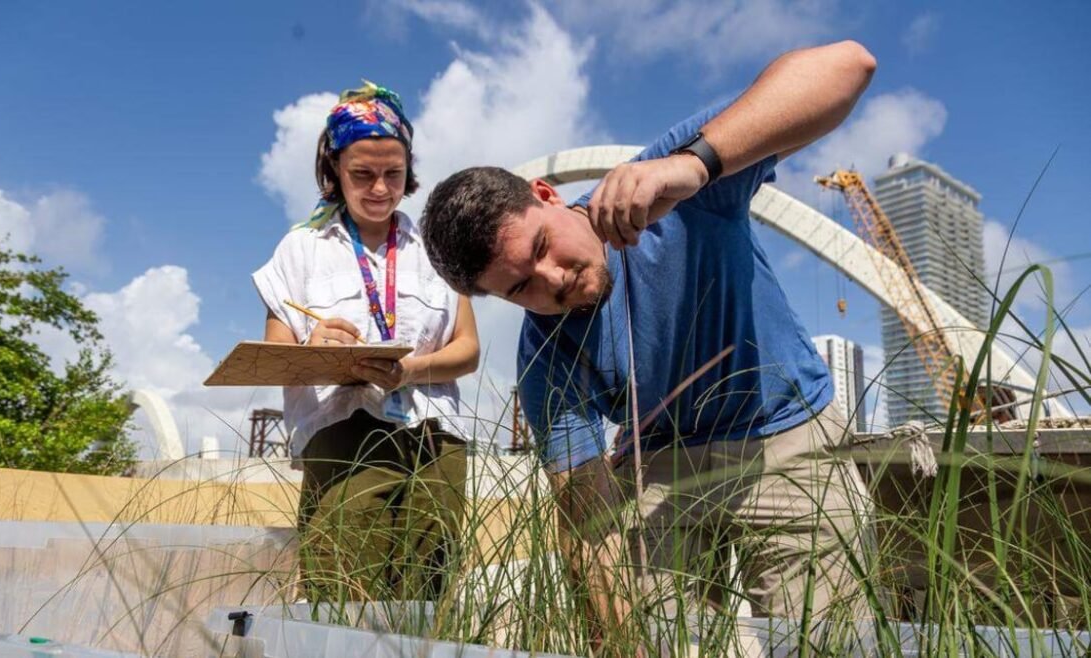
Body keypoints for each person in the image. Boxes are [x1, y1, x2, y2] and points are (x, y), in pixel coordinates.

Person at [421, 42, 878, 647]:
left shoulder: (669, 182)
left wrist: (698, 165)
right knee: (658, 632)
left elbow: (850, 65)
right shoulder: (544, 358)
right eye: (520, 288)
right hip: (659, 461)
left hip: (787, 434)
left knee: (829, 639)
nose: (553, 281)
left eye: (539, 250)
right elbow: (589, 522)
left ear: (548, 195)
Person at [253, 81, 479, 604]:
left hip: (435, 441)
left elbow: (466, 348)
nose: (379, 188)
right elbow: (274, 357)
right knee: (343, 596)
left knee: (428, 601)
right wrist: (317, 349)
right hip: (343, 434)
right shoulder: (300, 248)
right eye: (362, 175)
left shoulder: (436, 246)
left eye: (393, 174)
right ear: (333, 170)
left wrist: (412, 370)